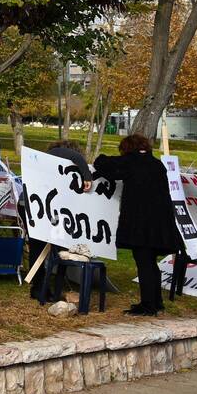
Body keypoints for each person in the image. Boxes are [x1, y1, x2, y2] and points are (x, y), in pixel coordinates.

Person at [93, 133, 183, 316]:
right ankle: (156, 302)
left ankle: (148, 305)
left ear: (127, 148)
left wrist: (99, 159)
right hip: (160, 223)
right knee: (150, 263)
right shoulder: (157, 164)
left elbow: (104, 165)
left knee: (144, 263)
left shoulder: (131, 162)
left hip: (141, 224)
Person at [28, 139, 94, 305]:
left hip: (48, 208)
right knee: (38, 247)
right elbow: (72, 156)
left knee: (52, 247)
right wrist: (86, 174)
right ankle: (39, 287)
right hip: (37, 207)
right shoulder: (54, 154)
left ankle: (47, 286)